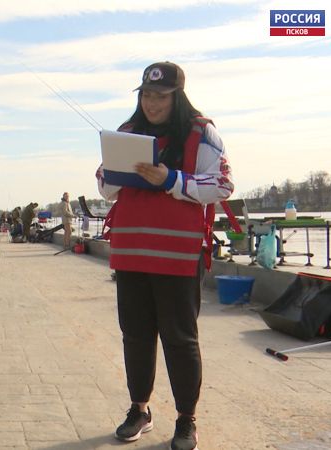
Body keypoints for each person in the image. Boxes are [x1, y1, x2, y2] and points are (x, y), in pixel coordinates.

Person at [96, 61, 233, 450]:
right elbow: (106, 189)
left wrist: (169, 179)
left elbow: (222, 184)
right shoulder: (127, 132)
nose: (152, 103)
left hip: (177, 253)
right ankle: (139, 410)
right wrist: (110, 172)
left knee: (180, 339)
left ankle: (186, 420)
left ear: (177, 97)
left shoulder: (202, 133)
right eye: (146, 95)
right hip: (131, 252)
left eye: (160, 96)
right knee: (135, 336)